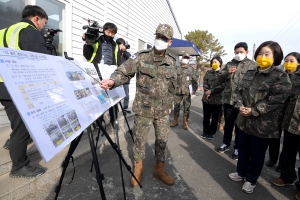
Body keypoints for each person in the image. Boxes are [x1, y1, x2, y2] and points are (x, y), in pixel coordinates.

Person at [100, 24, 177, 187]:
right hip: (144, 109)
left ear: (170, 42)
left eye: (164, 38)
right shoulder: (140, 57)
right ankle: (138, 168)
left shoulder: (171, 62)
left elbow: (172, 87)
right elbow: (124, 72)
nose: (160, 40)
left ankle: (159, 168)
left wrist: (170, 103)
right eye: (158, 36)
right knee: (140, 141)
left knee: (162, 141)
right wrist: (113, 81)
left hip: (163, 111)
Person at [229, 41, 291, 193]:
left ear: (276, 56)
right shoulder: (251, 72)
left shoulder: (280, 77)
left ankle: (251, 179)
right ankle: (240, 172)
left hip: (262, 125)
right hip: (244, 121)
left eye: (267, 54)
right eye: (260, 54)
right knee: (243, 150)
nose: (262, 57)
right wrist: (239, 106)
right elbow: (237, 91)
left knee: (256, 155)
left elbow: (277, 101)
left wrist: (254, 110)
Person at [0, 5, 48, 178]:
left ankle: (12, 143)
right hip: (18, 86)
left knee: (16, 122)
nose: (43, 27)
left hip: (2, 85)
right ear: (36, 18)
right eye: (44, 23)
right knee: (23, 128)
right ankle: (19, 166)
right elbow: (42, 61)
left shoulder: (4, 31)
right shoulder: (29, 31)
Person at [217, 42, 257, 160]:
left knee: (240, 126)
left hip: (242, 101)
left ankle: (237, 148)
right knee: (228, 124)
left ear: (247, 52)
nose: (239, 54)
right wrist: (227, 72)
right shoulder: (230, 64)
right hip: (229, 99)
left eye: (241, 52)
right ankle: (226, 144)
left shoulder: (252, 65)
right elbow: (219, 77)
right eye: (237, 52)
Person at [270, 52, 300, 199]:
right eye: (286, 60)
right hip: (290, 122)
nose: (288, 62)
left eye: (292, 61)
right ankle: (287, 177)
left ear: (298, 63)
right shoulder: (284, 76)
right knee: (288, 152)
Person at [83, 22, 120, 128]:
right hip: (97, 73)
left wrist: (118, 74)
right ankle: (99, 121)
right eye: (109, 32)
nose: (111, 35)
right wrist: (87, 43)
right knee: (99, 98)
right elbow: (88, 55)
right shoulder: (96, 41)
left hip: (110, 74)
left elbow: (118, 59)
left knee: (113, 99)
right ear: (104, 30)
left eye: (113, 33)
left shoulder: (115, 45)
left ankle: (114, 120)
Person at [170, 52, 198, 130]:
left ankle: (185, 122)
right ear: (182, 58)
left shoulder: (191, 69)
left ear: (188, 59)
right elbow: (173, 79)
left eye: (187, 58)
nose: (185, 59)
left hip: (187, 92)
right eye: (184, 57)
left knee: (187, 107)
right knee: (176, 106)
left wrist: (195, 89)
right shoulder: (177, 68)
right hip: (177, 91)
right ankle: (175, 120)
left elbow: (195, 80)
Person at [201, 56, 225, 140]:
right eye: (213, 62)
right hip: (206, 99)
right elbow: (205, 83)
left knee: (215, 118)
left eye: (216, 62)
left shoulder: (223, 73)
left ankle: (212, 133)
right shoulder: (208, 73)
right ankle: (205, 132)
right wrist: (207, 92)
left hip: (217, 100)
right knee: (206, 117)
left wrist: (212, 91)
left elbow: (223, 85)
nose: (214, 63)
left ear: (220, 63)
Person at [116, 38, 132, 114]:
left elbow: (132, 59)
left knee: (126, 96)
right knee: (116, 95)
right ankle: (114, 110)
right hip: (116, 77)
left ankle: (125, 108)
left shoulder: (127, 54)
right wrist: (119, 50)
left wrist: (125, 51)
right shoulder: (116, 52)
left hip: (125, 78)